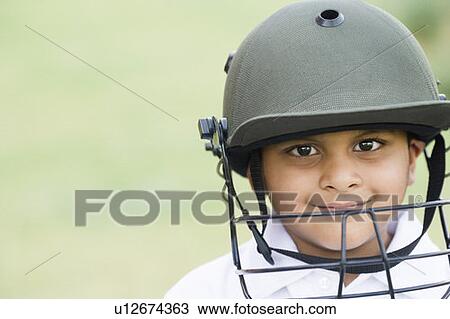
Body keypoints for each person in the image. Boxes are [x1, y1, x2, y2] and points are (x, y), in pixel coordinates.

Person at [165, 0, 450, 298]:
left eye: (368, 145)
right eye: (303, 150)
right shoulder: (202, 297)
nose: (340, 178)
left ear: (412, 158)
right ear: (255, 171)